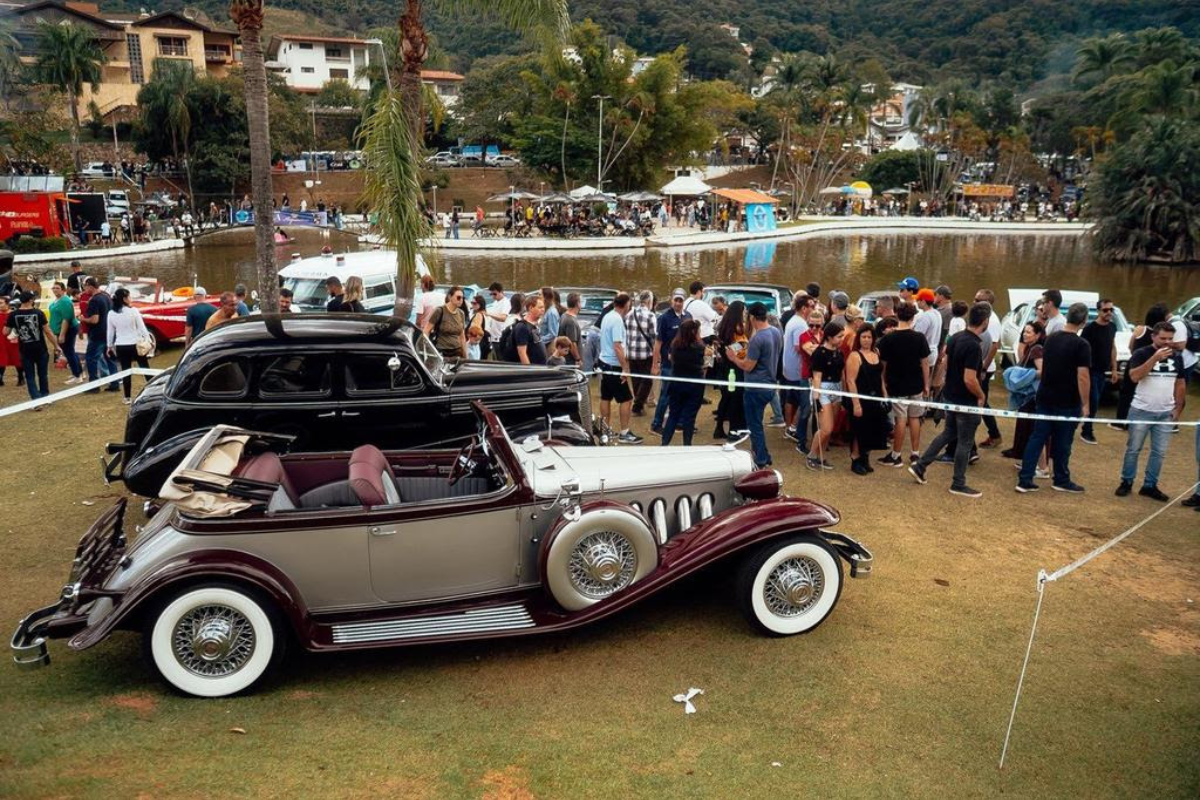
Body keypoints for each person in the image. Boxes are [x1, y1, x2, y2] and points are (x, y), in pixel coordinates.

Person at [908, 302, 991, 498]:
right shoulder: (973, 346)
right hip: (965, 401)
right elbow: (970, 379)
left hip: (951, 395)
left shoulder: (956, 338)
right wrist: (981, 395)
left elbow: (945, 362)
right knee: (965, 442)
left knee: (949, 433)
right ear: (985, 321)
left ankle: (921, 465)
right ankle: (958, 483)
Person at [1016, 302, 1092, 494]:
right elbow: (1083, 376)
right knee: (1063, 442)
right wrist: (1085, 403)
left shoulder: (1051, 339)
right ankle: (1061, 478)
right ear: (1083, 321)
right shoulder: (1081, 345)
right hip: (1067, 400)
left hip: (1045, 396)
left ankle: (1025, 479)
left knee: (1037, 437)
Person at [1116, 322, 1187, 501]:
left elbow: (1180, 383)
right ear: (1153, 336)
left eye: (1170, 339)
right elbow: (1134, 376)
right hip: (1141, 410)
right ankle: (1126, 482)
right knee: (1133, 449)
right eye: (1163, 338)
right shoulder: (1141, 353)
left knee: (1159, 452)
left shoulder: (1177, 356)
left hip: (1165, 413)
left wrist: (1178, 408)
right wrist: (1154, 359)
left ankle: (1150, 485)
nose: (1167, 342)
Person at [725, 302, 782, 469]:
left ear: (751, 317)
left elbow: (748, 366)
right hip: (770, 385)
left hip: (755, 387)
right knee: (757, 423)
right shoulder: (775, 332)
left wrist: (734, 358)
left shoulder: (758, 338)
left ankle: (761, 459)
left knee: (754, 425)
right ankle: (764, 454)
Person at [877, 302, 930, 467]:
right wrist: (927, 384)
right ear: (913, 317)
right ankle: (915, 453)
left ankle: (896, 455)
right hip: (916, 384)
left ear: (896, 315)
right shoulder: (919, 338)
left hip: (896, 384)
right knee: (915, 418)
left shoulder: (887, 339)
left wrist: (883, 384)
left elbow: (883, 365)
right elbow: (925, 363)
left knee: (900, 419)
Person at [1001, 322, 1049, 479]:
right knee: (1028, 431)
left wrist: (1025, 375)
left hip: (1033, 397)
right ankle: (1029, 461)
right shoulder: (1029, 349)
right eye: (1024, 332)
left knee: (1036, 432)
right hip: (1027, 398)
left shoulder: (1037, 350)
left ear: (1038, 335)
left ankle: (1043, 468)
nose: (1025, 334)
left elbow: (1043, 371)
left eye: (1029, 332)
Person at [597, 293, 642, 443]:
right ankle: (624, 433)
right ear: (627, 304)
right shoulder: (616, 320)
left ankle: (605, 430)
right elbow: (617, 346)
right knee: (627, 399)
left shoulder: (607, 316)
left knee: (606, 397)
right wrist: (625, 368)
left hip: (604, 363)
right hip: (613, 365)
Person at [844, 325, 888, 475]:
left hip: (875, 399)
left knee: (872, 429)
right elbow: (850, 381)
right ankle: (855, 458)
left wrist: (885, 395)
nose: (866, 340)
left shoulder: (876, 352)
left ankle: (865, 457)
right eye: (863, 337)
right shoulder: (854, 356)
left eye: (869, 337)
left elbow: (880, 377)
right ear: (859, 338)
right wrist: (856, 404)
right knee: (859, 430)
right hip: (860, 398)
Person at [4, 291, 59, 403]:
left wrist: (13, 328)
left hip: (25, 350)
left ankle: (35, 400)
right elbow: (47, 331)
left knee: (30, 376)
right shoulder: (38, 313)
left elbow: (5, 332)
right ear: (31, 300)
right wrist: (56, 345)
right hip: (40, 349)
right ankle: (44, 396)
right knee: (43, 374)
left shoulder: (13, 315)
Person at [805, 321, 846, 471]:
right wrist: (816, 398)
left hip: (837, 390)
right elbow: (816, 377)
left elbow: (842, 373)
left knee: (831, 427)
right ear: (829, 337)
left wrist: (844, 393)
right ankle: (811, 455)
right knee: (826, 428)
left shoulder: (839, 353)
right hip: (823, 390)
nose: (841, 339)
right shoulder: (819, 353)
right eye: (839, 336)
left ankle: (821, 456)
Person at [660, 320, 707, 446]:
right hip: (694, 386)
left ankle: (664, 444)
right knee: (689, 418)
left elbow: (670, 358)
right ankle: (687, 445)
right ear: (693, 332)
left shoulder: (675, 345)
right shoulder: (699, 348)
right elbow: (703, 364)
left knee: (673, 415)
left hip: (677, 384)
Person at [1079, 298, 1119, 444]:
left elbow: (1112, 347)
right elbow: (1081, 349)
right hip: (1090, 370)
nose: (1109, 312)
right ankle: (1087, 430)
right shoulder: (1089, 329)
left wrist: (1114, 369)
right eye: (1105, 310)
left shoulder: (1112, 327)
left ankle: (1083, 426)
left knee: (1095, 399)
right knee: (1094, 401)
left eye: (1111, 310)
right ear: (1098, 311)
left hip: (1103, 371)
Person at [651, 288, 689, 434]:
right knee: (665, 395)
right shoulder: (664, 318)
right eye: (676, 300)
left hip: (684, 364)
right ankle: (656, 424)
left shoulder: (688, 316)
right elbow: (658, 343)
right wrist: (655, 365)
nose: (678, 303)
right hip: (669, 365)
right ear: (671, 300)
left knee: (682, 393)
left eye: (681, 300)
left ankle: (680, 422)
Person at [105, 287, 151, 404]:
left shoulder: (111, 313)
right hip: (135, 344)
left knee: (126, 371)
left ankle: (127, 397)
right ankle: (153, 391)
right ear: (125, 299)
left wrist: (109, 346)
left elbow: (110, 332)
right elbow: (142, 328)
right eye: (129, 296)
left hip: (121, 346)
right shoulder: (133, 311)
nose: (130, 298)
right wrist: (148, 339)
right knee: (145, 368)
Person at [713, 300, 748, 440]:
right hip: (734, 368)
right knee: (734, 399)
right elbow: (733, 349)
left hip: (725, 368)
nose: (745, 314)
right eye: (744, 311)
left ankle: (719, 427)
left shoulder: (724, 327)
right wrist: (744, 345)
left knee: (726, 398)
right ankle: (734, 429)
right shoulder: (736, 329)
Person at [782, 293, 813, 449]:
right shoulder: (801, 324)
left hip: (789, 366)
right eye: (811, 306)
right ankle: (793, 428)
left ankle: (789, 426)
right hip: (797, 368)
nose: (813, 309)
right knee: (803, 401)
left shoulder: (793, 320)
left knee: (791, 398)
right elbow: (799, 346)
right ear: (803, 308)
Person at [974, 288, 1004, 448]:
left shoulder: (991, 321)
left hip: (984, 367)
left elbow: (994, 346)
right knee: (982, 401)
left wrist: (984, 368)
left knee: (982, 402)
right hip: (981, 365)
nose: (974, 302)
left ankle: (995, 434)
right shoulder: (986, 317)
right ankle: (994, 433)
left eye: (977, 300)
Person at [81, 277, 119, 391]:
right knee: (110, 358)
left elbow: (94, 320)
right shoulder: (107, 297)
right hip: (109, 332)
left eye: (85, 287)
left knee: (91, 359)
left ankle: (94, 386)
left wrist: (83, 319)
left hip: (97, 334)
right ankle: (115, 384)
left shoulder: (94, 300)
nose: (84, 290)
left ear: (90, 286)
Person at [625, 290, 657, 416]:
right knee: (647, 381)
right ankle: (637, 407)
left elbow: (626, 334)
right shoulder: (650, 316)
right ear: (649, 301)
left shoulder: (629, 314)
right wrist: (657, 357)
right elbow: (654, 337)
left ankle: (639, 404)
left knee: (636, 380)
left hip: (631, 353)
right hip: (645, 353)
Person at [48, 281, 82, 383]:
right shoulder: (57, 300)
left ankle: (77, 375)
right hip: (60, 329)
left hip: (67, 330)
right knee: (71, 351)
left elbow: (66, 319)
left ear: (63, 290)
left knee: (69, 352)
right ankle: (79, 372)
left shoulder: (64, 301)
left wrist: (62, 334)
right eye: (53, 288)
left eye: (57, 288)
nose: (55, 290)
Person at [425, 285, 467, 359]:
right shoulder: (440, 311)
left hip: (457, 351)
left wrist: (466, 356)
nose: (461, 300)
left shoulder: (461, 313)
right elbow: (426, 331)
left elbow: (462, 337)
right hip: (441, 351)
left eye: (462, 298)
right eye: (458, 297)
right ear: (450, 297)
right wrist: (427, 349)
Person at [912, 288, 943, 374]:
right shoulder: (937, 313)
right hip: (934, 352)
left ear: (923, 301)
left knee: (921, 378)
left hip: (925, 353)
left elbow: (917, 336)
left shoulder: (925, 316)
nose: (916, 302)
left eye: (918, 300)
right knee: (928, 377)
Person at [513, 294, 547, 365]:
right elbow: (522, 353)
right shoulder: (522, 327)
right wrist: (529, 369)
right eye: (540, 307)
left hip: (540, 368)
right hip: (532, 369)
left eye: (543, 307)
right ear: (531, 308)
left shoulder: (535, 324)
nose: (543, 310)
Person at [0, 296, 23, 387]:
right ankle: (0, 378)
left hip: (13, 340)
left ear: (7, 304)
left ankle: (21, 377)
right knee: (1, 358)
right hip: (1, 340)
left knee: (16, 358)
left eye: (1, 303)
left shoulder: (13, 314)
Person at [557, 293, 583, 366]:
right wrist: (578, 359)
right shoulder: (571, 321)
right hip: (571, 361)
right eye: (580, 302)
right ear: (577, 304)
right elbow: (572, 344)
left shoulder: (564, 315)